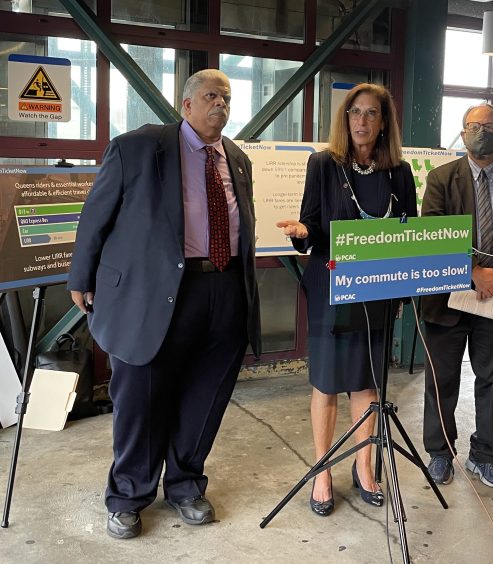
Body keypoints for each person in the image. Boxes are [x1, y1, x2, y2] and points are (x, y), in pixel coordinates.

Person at [67, 69, 261, 539]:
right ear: (187, 105)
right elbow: (97, 215)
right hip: (154, 294)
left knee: (206, 395)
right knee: (141, 397)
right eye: (211, 96)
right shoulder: (138, 147)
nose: (221, 104)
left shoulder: (236, 158)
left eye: (228, 98)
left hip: (225, 288)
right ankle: (129, 494)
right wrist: (81, 276)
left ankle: (185, 484)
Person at [276, 83, 417, 516]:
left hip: (376, 292)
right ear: (345, 118)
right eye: (355, 112)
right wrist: (304, 232)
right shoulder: (323, 165)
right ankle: (322, 471)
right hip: (330, 290)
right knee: (326, 381)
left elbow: (407, 235)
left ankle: (364, 467)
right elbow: (313, 225)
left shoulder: (400, 173)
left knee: (366, 381)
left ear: (383, 122)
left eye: (371, 113)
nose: (361, 121)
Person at [419, 103, 493, 488]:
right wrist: (472, 273)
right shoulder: (441, 179)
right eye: (473, 126)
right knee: (442, 379)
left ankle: (485, 455)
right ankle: (440, 452)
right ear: (463, 131)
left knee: (492, 379)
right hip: (448, 298)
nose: (480, 131)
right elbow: (434, 234)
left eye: (488, 126)